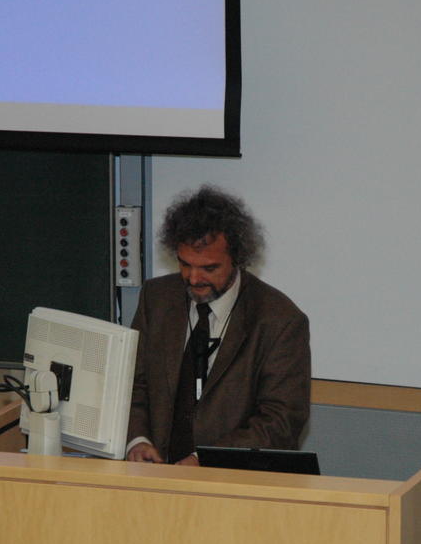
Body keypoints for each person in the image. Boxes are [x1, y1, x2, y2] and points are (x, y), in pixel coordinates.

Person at [126, 185, 311, 465]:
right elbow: (132, 383)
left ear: (238, 259)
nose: (194, 278)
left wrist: (204, 460)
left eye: (209, 268)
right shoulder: (157, 298)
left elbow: (280, 422)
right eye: (185, 264)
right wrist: (137, 440)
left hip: (231, 481)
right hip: (157, 475)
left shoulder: (280, 321)